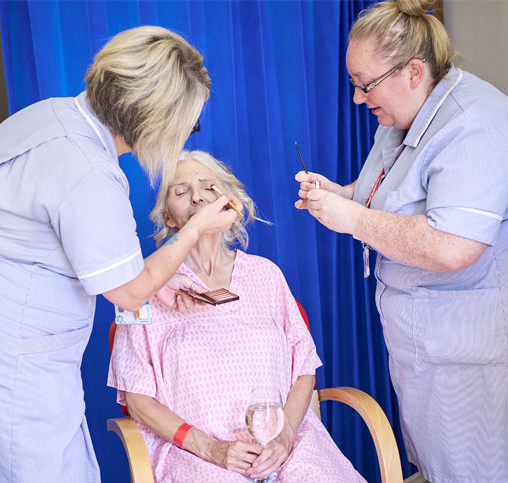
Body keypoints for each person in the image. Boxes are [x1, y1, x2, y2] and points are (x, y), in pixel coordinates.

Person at [0, 27, 240, 482]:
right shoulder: (88, 172)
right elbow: (129, 293)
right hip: (10, 368)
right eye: (188, 123)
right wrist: (198, 229)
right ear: (155, 120)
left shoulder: (47, 117)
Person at [295, 1, 508, 481]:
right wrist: (342, 193)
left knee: (501, 470)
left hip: (490, 348)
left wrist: (351, 218)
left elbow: (453, 244)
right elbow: (394, 190)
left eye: (364, 84)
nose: (357, 98)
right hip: (436, 346)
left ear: (413, 71)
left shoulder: (477, 126)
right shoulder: (403, 115)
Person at [108, 150, 366, 482]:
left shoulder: (266, 276)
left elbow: (303, 368)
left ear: (230, 203)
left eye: (208, 186)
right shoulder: (143, 289)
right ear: (169, 217)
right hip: (199, 457)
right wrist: (211, 448)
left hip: (286, 447)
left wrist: (286, 435)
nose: (198, 196)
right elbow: (137, 399)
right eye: (181, 191)